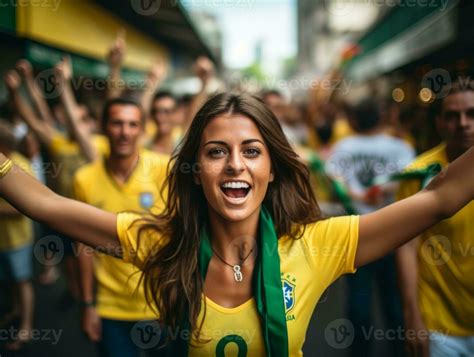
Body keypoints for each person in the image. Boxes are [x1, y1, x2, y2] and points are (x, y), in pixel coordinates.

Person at [0, 93, 472, 356]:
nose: (234, 166)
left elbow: (440, 199)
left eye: (251, 150)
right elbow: (43, 202)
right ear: (195, 170)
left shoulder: (318, 244)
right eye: (215, 152)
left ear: (273, 167)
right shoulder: (160, 242)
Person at [74, 98, 169, 356]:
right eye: (117, 123)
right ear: (103, 127)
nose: (125, 132)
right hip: (109, 307)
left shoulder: (164, 169)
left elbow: (179, 236)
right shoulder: (84, 179)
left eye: (132, 124)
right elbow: (82, 246)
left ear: (142, 129)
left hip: (160, 306)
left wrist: (174, 300)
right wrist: (87, 304)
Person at [327, 98, 415, 356]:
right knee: (393, 297)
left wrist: (356, 195)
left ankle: (360, 351)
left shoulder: (344, 146)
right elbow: (405, 182)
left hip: (356, 233)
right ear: (382, 116)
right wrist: (380, 191)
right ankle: (398, 349)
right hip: (394, 232)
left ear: (354, 120)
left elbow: (335, 181)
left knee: (359, 298)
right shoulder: (400, 147)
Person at [396, 80, 474, 357]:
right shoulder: (419, 173)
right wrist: (412, 316)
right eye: (452, 116)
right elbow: (406, 245)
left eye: (471, 114)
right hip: (439, 326)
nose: (463, 123)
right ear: (439, 122)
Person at [0, 122, 35, 351]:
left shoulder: (20, 166)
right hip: (3, 239)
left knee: (22, 281)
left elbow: (28, 207)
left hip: (18, 239)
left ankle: (27, 326)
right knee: (12, 280)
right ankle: (15, 310)